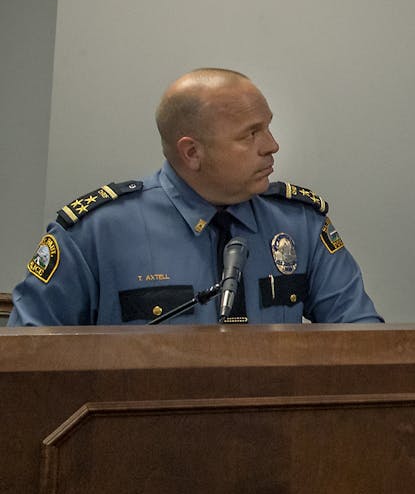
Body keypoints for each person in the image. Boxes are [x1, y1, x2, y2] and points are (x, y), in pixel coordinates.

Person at [8, 68, 382, 325]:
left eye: (268, 127)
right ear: (192, 153)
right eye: (251, 134)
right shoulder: (94, 234)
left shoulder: (300, 224)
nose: (272, 146)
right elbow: (30, 361)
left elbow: (362, 341)